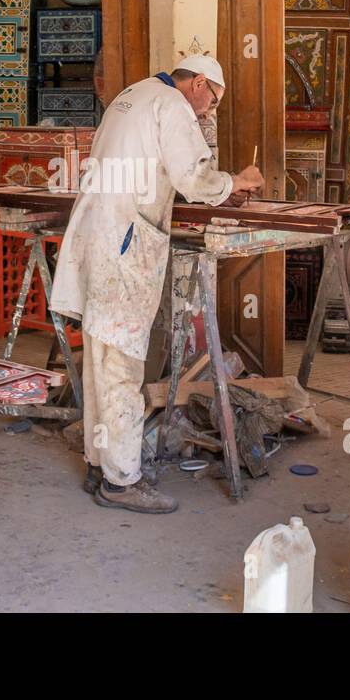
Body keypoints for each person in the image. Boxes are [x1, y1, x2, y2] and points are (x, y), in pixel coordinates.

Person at [49, 55, 264, 514]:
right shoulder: (171, 104)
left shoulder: (132, 94)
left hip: (100, 236)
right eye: (212, 102)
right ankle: (122, 482)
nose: (207, 112)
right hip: (124, 245)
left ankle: (99, 462)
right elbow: (195, 178)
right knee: (123, 363)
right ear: (199, 83)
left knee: (101, 357)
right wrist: (236, 182)